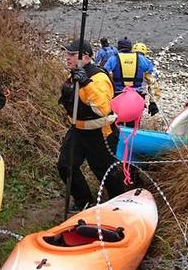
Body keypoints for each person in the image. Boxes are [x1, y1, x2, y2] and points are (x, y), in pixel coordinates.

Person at [57, 39, 125, 212]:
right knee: (65, 165)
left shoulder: (99, 78)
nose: (68, 58)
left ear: (86, 57)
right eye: (67, 54)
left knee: (105, 173)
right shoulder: (73, 75)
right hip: (78, 130)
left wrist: (86, 83)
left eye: (72, 54)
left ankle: (119, 204)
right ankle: (84, 201)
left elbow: (102, 108)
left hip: (99, 132)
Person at [131, 42, 161, 116]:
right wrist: (153, 102)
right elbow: (153, 83)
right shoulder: (147, 63)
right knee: (135, 116)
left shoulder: (125, 60)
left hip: (122, 92)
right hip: (139, 94)